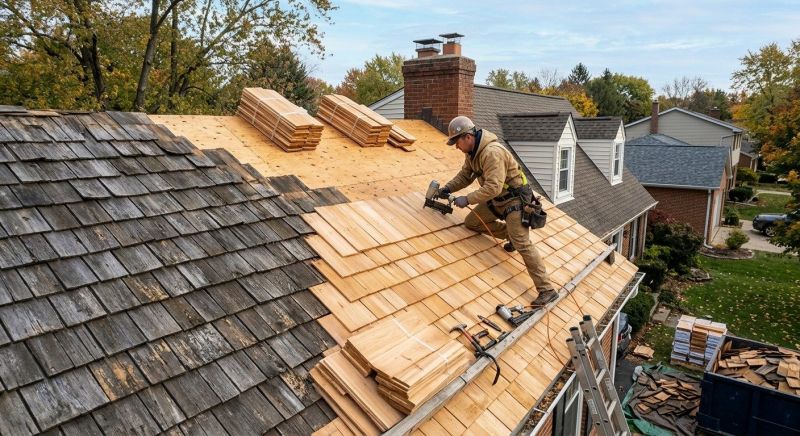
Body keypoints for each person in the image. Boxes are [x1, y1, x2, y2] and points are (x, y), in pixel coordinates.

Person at [439, 115, 557, 306]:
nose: (456, 147)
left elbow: (493, 187)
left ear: (468, 137)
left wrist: (467, 199)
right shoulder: (473, 154)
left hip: (514, 201)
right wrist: (447, 189)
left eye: (457, 142)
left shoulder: (491, 153)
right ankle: (509, 234)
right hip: (497, 200)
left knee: (522, 243)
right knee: (472, 222)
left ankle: (547, 289)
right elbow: (464, 176)